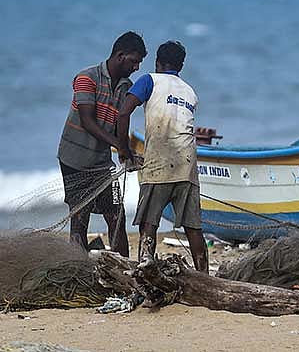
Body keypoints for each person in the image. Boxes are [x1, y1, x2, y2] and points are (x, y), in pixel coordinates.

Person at [118, 40, 208, 272]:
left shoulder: (149, 80)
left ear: (157, 62)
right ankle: (206, 276)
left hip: (159, 163)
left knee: (149, 225)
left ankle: (144, 271)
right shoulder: (190, 92)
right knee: (193, 228)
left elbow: (124, 112)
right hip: (187, 165)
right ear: (181, 66)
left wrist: (124, 150)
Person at [57, 31, 147, 256]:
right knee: (80, 218)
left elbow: (119, 125)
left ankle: (125, 270)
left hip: (101, 164)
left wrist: (126, 153)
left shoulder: (127, 86)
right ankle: (77, 268)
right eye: (134, 61)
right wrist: (120, 146)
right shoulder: (86, 78)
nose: (137, 67)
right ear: (119, 55)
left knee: (116, 216)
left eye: (139, 63)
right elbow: (88, 121)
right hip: (74, 160)